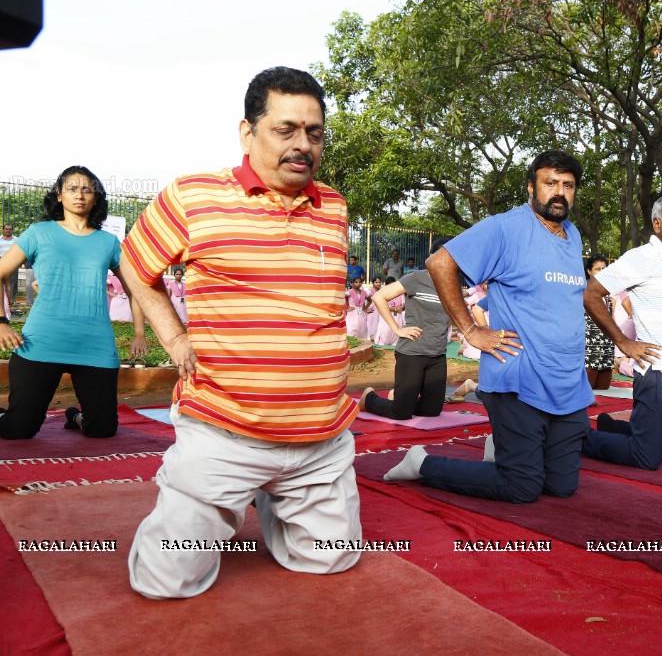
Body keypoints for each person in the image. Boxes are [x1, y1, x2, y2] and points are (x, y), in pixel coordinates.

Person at [120, 67, 362, 599]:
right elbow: (136, 263)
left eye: (315, 132)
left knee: (330, 562)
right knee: (165, 582)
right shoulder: (192, 196)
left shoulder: (334, 206)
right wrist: (176, 340)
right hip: (224, 429)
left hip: (319, 437)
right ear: (247, 133)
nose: (303, 145)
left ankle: (272, 496)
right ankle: (227, 493)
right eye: (286, 129)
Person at [383, 150, 591, 503]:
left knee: (561, 487)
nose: (559, 192)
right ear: (531, 187)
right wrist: (470, 329)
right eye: (550, 183)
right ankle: (423, 463)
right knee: (521, 488)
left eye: (567, 185)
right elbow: (440, 263)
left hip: (568, 382)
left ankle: (504, 450)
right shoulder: (506, 227)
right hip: (519, 378)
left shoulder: (572, 235)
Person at [0, 166, 146, 440]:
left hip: (95, 346)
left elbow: (135, 289)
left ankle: (74, 416)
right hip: (41, 344)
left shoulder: (108, 242)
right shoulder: (38, 233)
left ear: (95, 197)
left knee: (102, 430)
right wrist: (1, 323)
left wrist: (140, 332)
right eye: (72, 188)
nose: (80, 194)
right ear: (59, 195)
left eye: (87, 189)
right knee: (18, 430)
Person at [583, 195, 662, 470]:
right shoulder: (643, 258)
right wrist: (623, 342)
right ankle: (579, 438)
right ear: (658, 223)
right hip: (661, 375)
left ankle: (617, 428)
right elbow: (592, 294)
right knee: (645, 457)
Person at [360, 239, 451, 420]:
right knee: (401, 412)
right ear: (431, 258)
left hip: (437, 354)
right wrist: (397, 329)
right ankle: (368, 398)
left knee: (431, 411)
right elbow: (379, 297)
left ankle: (402, 398)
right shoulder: (417, 278)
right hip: (412, 352)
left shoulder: (452, 284)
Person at [583, 254, 616, 390]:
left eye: (604, 269)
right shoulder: (582, 290)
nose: (601, 272)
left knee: (603, 387)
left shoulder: (609, 294)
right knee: (588, 387)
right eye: (598, 269)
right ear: (589, 271)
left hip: (607, 343)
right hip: (590, 344)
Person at [372, 276, 404, 346]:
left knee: (396, 331)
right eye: (389, 284)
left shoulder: (400, 294)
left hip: (398, 316)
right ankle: (381, 344)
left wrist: (402, 307)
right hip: (387, 315)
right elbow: (380, 305)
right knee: (385, 331)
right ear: (386, 285)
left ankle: (395, 345)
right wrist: (395, 309)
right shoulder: (382, 293)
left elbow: (404, 305)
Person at [0, 224, 20, 312]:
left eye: (10, 229)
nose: (8, 230)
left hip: (13, 262)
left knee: (13, 282)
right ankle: (2, 301)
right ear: (3, 230)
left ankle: (12, 300)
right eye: (6, 229)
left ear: (12, 230)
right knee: (1, 282)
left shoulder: (16, 240)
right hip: (1, 261)